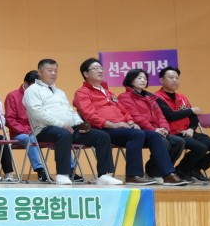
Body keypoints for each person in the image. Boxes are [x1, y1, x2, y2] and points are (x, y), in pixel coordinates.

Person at [73, 57, 182, 186]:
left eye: (101, 68)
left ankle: (168, 174)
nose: (100, 71)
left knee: (154, 135)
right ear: (86, 74)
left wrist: (130, 122)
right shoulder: (82, 93)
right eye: (95, 68)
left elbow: (124, 111)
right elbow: (89, 116)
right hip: (104, 129)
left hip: (122, 128)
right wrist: (114, 125)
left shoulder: (108, 92)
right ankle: (133, 175)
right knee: (136, 134)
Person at [23, 58, 119, 186]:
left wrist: (80, 124)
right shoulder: (32, 90)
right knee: (63, 134)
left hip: (69, 128)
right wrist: (61, 124)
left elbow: (70, 111)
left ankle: (104, 175)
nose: (53, 73)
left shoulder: (59, 92)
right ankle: (63, 174)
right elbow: (37, 113)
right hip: (44, 130)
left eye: (55, 71)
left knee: (102, 136)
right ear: (40, 72)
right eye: (49, 70)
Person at [117, 68, 188, 185]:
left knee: (178, 142)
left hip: (156, 130)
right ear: (131, 80)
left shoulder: (150, 97)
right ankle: (161, 173)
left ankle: (157, 171)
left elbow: (160, 115)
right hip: (142, 131)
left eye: (145, 78)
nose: (143, 80)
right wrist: (154, 130)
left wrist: (164, 128)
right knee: (163, 142)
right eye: (139, 78)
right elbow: (136, 117)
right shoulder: (125, 97)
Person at [155, 66, 210, 184]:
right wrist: (191, 110)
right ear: (161, 80)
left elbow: (194, 117)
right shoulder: (157, 98)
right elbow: (170, 116)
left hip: (189, 132)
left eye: (177, 78)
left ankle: (194, 169)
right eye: (171, 77)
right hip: (173, 134)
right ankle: (181, 170)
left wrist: (191, 128)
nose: (175, 80)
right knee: (201, 148)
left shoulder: (182, 97)